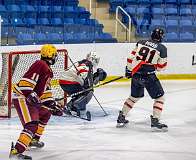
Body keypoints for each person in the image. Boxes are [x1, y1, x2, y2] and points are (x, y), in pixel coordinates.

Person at [9, 44, 63, 160]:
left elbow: (45, 92)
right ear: (51, 55)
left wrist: (52, 105)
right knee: (32, 124)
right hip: (21, 97)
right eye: (54, 55)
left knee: (45, 113)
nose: (55, 57)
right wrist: (30, 94)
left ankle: (33, 139)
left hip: (28, 98)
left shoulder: (48, 70)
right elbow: (25, 84)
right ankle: (16, 152)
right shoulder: (40, 64)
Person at [116, 28, 168, 131]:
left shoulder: (141, 42)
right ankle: (155, 120)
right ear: (161, 37)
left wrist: (129, 70)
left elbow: (130, 58)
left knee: (134, 97)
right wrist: (155, 65)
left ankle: (122, 116)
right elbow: (161, 67)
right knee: (160, 98)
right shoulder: (162, 48)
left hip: (136, 75)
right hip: (149, 76)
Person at [59, 51, 107, 116]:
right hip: (70, 81)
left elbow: (84, 77)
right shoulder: (89, 65)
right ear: (93, 59)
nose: (97, 62)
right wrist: (93, 84)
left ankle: (70, 106)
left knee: (80, 93)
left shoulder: (81, 62)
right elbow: (88, 84)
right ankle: (73, 108)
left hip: (62, 81)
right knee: (89, 91)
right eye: (96, 60)